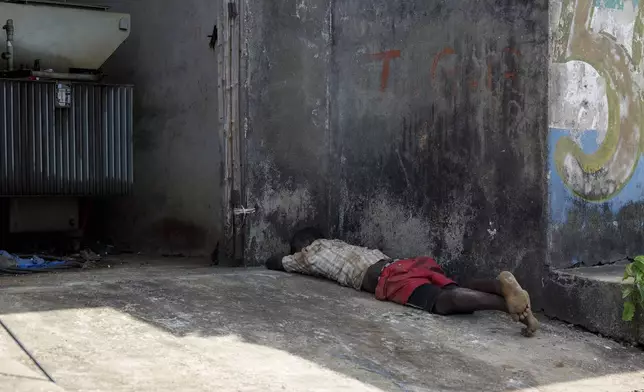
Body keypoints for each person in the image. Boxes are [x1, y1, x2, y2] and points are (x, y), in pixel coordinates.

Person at [265, 227, 539, 337]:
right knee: (453, 286)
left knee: (442, 302)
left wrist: (283, 257)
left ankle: (506, 305)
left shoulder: (312, 253)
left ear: (304, 246)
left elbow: (278, 262)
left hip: (387, 278)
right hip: (405, 263)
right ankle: (498, 285)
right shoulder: (342, 244)